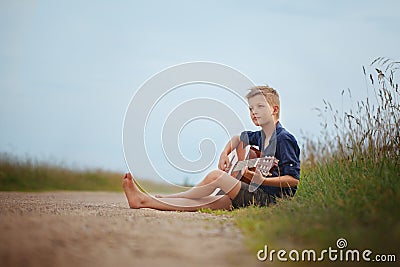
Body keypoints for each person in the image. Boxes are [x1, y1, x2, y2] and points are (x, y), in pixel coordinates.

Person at [122, 86, 300, 211]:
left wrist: (263, 180)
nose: (253, 112)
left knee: (215, 176)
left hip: (270, 200)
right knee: (208, 202)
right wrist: (224, 153)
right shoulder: (261, 136)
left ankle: (166, 197)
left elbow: (293, 180)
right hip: (254, 195)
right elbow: (238, 138)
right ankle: (145, 200)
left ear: (274, 109)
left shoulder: (284, 139)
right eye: (251, 108)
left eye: (260, 106)